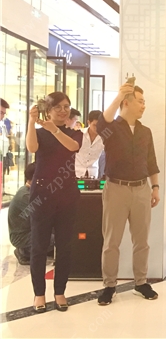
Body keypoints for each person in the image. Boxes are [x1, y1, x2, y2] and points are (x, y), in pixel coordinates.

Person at [96, 82, 160, 305]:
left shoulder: (145, 132)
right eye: (140, 101)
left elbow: (151, 161)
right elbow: (102, 123)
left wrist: (155, 187)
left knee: (142, 241)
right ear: (127, 102)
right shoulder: (112, 129)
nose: (144, 106)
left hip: (142, 189)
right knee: (111, 241)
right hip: (116, 189)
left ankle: (141, 283)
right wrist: (117, 96)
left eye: (144, 102)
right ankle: (109, 286)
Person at [26, 92, 83, 313]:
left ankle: (60, 291)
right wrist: (32, 121)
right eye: (57, 107)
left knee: (65, 246)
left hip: (67, 194)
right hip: (42, 194)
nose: (63, 110)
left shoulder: (75, 133)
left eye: (66, 106)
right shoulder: (40, 132)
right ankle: (39, 293)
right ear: (48, 110)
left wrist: (55, 130)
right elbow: (32, 148)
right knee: (39, 246)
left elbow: (73, 147)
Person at [8, 163, 36, 265]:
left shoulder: (29, 191)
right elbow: (42, 216)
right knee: (54, 239)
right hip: (21, 237)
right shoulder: (25, 196)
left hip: (27, 231)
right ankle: (24, 252)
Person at [75, 111, 105, 178]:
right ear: (88, 122)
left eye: (100, 125)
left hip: (93, 173)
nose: (97, 128)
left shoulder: (104, 137)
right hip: (77, 171)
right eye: (94, 125)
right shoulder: (79, 133)